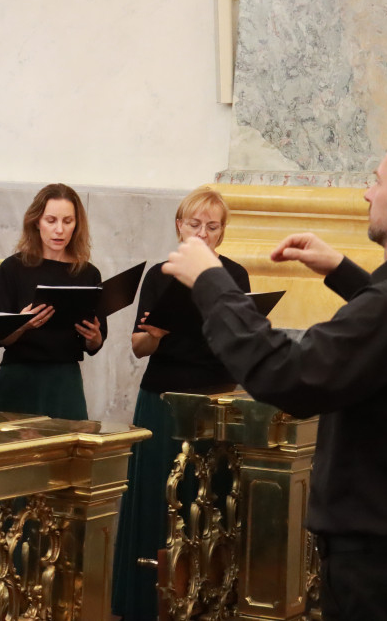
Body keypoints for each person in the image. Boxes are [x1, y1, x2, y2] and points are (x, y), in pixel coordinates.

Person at [162, 124, 387, 621]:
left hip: (382, 582)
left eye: (377, 179)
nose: (367, 192)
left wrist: (211, 282)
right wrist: (342, 270)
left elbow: (287, 374)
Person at [111, 186, 250, 620]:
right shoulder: (161, 274)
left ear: (222, 233)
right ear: (178, 226)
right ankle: (147, 604)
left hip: (215, 401)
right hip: (164, 401)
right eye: (195, 224)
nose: (203, 233)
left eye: (213, 226)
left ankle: (209, 601)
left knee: (210, 504)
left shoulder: (235, 276)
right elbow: (138, 347)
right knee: (161, 500)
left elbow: (242, 344)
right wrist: (156, 334)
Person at [0, 183, 106, 421]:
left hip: (64, 380)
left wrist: (94, 336)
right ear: (36, 221)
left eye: (68, 221)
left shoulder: (87, 273)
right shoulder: (13, 268)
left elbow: (95, 345)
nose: (59, 230)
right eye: (51, 220)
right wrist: (23, 324)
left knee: (67, 454)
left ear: (77, 225)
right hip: (19, 376)